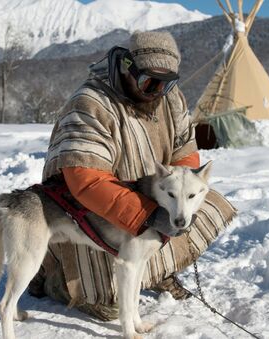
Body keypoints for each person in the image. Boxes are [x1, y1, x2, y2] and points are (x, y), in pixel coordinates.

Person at [28, 31, 236, 320]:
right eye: (149, 81)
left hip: (151, 193)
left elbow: (184, 153)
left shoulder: (169, 97)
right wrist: (146, 215)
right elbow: (85, 179)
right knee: (110, 306)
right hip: (87, 216)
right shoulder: (91, 103)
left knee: (202, 200)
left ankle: (156, 270)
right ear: (128, 68)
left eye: (166, 83)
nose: (157, 90)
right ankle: (54, 277)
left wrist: (178, 191)